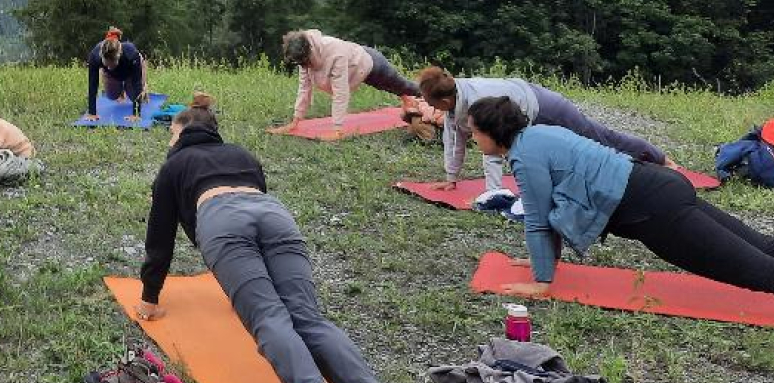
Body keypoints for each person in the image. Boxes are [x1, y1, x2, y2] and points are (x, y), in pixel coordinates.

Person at [468, 96, 774, 303]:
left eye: (474, 131)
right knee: (767, 246)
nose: (471, 138)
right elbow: (553, 212)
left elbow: (539, 219)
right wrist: (550, 262)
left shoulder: (524, 158)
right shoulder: (540, 133)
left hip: (654, 212)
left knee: (762, 272)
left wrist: (541, 282)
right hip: (660, 184)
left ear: (492, 132)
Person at [136, 93, 378, 383]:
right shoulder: (242, 154)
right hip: (274, 214)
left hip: (222, 220)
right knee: (309, 317)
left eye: (171, 135)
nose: (169, 142)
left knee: (269, 317)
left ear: (181, 133)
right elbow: (255, 207)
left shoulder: (174, 165)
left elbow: (160, 238)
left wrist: (149, 297)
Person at [418, 66, 672, 193]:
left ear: (443, 101)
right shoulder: (453, 104)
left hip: (542, 106)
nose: (427, 107)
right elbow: (454, 140)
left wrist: (493, 194)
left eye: (429, 103)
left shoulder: (476, 103)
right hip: (521, 113)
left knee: (598, 136)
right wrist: (451, 179)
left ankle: (659, 158)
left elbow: (492, 151)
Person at [274, 30, 419, 139]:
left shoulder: (335, 53)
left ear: (309, 51)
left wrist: (337, 129)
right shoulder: (303, 57)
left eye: (304, 63)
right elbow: (304, 88)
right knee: (390, 87)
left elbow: (341, 93)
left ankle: (435, 92)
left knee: (404, 86)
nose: (303, 67)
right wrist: (295, 121)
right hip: (355, 64)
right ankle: (406, 99)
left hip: (372, 63)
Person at [83, 27, 146, 123]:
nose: (109, 66)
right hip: (112, 75)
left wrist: (136, 114)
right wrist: (92, 113)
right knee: (112, 96)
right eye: (106, 64)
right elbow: (92, 84)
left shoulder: (131, 54)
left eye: (111, 63)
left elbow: (136, 82)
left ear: (119, 55)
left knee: (135, 97)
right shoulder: (95, 56)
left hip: (130, 72)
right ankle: (120, 90)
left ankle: (142, 86)